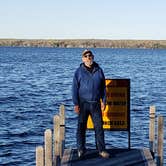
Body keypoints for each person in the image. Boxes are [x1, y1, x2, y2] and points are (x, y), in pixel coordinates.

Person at [72, 49, 110, 159]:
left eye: (90, 56)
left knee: (99, 128)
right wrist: (76, 104)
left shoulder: (99, 70)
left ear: (93, 57)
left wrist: (103, 101)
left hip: (96, 104)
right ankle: (81, 149)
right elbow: (74, 88)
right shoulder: (78, 71)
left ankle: (101, 150)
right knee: (81, 127)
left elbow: (103, 87)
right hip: (83, 104)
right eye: (86, 56)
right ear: (83, 58)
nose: (89, 58)